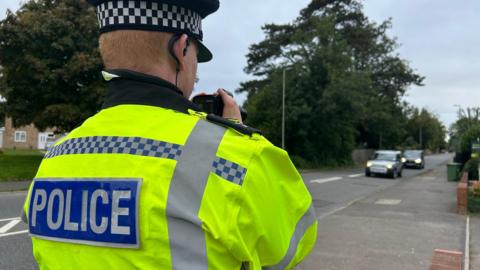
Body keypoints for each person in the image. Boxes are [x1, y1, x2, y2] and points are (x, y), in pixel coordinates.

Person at [22, 0, 317, 269]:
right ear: (181, 48)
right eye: (197, 55)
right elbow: (291, 248)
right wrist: (238, 136)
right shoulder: (238, 162)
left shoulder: (55, 157)